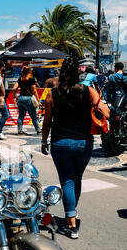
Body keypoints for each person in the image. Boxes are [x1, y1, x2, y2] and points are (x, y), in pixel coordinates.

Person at [40, 57, 106, 239]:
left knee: (67, 180)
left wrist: (44, 141)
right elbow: (105, 111)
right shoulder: (89, 91)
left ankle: (71, 223)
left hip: (60, 142)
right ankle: (72, 213)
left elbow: (47, 122)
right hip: (84, 142)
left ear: (62, 73)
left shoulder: (53, 93)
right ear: (78, 72)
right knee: (76, 179)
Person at [12, 66, 41, 135]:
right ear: (29, 71)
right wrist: (38, 100)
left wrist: (14, 97)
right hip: (29, 99)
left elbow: (14, 89)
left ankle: (20, 130)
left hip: (21, 99)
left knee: (21, 116)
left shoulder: (20, 79)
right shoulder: (31, 79)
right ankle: (38, 130)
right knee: (33, 116)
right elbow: (34, 91)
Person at [0, 60, 9, 140]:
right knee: (5, 115)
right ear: (1, 67)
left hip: (0, 99)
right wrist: (1, 101)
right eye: (3, 66)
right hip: (0, 99)